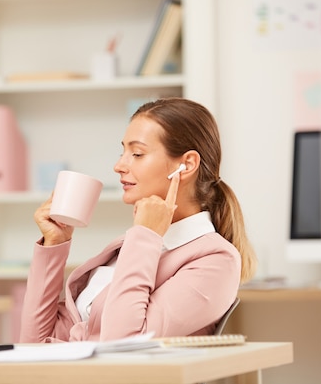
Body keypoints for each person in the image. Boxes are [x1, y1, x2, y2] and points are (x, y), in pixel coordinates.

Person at [19, 97, 257, 343]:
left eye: (137, 153)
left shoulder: (216, 261)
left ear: (186, 165)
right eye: (122, 152)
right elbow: (33, 343)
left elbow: (124, 347)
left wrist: (145, 235)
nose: (119, 166)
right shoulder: (131, 247)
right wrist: (54, 245)